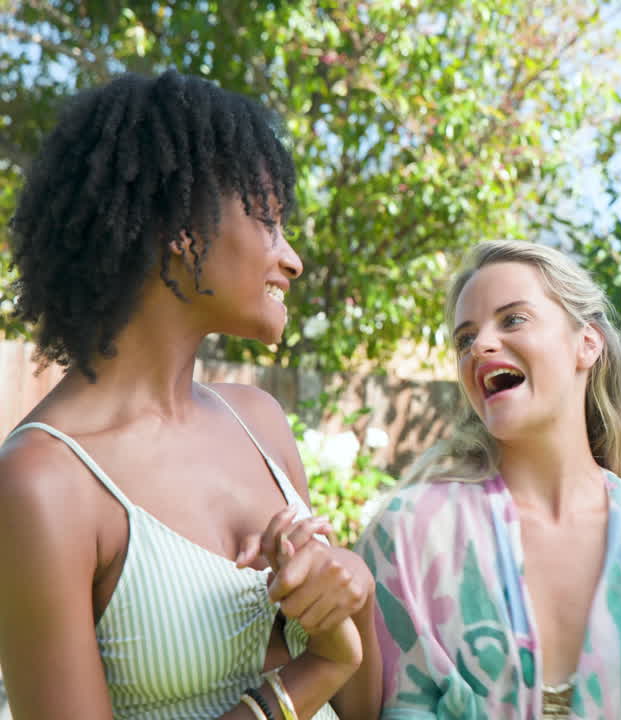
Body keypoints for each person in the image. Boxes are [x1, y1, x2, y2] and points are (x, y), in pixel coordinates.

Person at [0, 71, 380, 719]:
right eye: (268, 219)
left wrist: (352, 602)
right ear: (181, 227)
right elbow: (326, 676)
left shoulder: (259, 421)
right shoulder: (43, 483)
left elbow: (364, 709)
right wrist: (303, 680)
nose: (292, 259)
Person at [361, 240, 621, 719]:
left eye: (513, 319)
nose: (480, 346)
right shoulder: (409, 534)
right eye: (465, 339)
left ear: (587, 342)